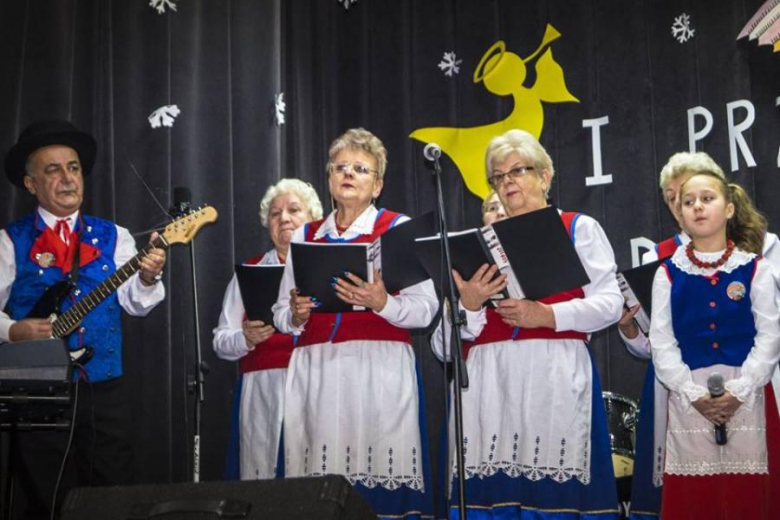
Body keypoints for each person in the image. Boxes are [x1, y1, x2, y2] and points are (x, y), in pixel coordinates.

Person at [432, 128, 623, 519]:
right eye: (498, 177)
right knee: (491, 500)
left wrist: (548, 315)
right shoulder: (475, 244)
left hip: (551, 376)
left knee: (555, 499)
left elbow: (610, 303)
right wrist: (466, 305)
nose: (507, 182)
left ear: (545, 177)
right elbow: (442, 346)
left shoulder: (577, 228)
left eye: (517, 170)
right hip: (489, 385)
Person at [0, 119, 166, 518]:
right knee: (46, 496)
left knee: (112, 491)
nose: (67, 178)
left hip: (103, 389)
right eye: (53, 169)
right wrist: (13, 330)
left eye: (73, 167)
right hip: (37, 392)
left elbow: (138, 303)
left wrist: (147, 275)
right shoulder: (10, 240)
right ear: (31, 183)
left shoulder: (115, 236)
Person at [272, 128, 438, 519]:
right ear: (329, 178)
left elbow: (426, 309)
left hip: (377, 368)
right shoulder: (305, 234)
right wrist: (294, 315)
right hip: (317, 371)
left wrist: (382, 303)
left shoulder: (399, 228)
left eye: (360, 169)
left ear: (377, 184)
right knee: (318, 482)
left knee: (378, 472)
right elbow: (280, 312)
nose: (348, 174)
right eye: (340, 167)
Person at [619, 153, 780, 520]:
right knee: (696, 499)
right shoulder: (667, 273)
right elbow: (661, 342)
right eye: (687, 202)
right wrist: (692, 394)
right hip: (688, 395)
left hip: (749, 391)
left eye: (707, 198)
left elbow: (770, 335)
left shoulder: (757, 268)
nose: (696, 207)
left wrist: (741, 390)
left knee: (747, 497)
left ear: (728, 208)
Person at [213, 178, 322, 480]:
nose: (284, 218)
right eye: (275, 213)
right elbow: (221, 341)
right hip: (263, 391)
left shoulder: (326, 266)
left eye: (293, 210)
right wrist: (245, 338)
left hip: (318, 386)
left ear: (313, 219)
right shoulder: (250, 271)